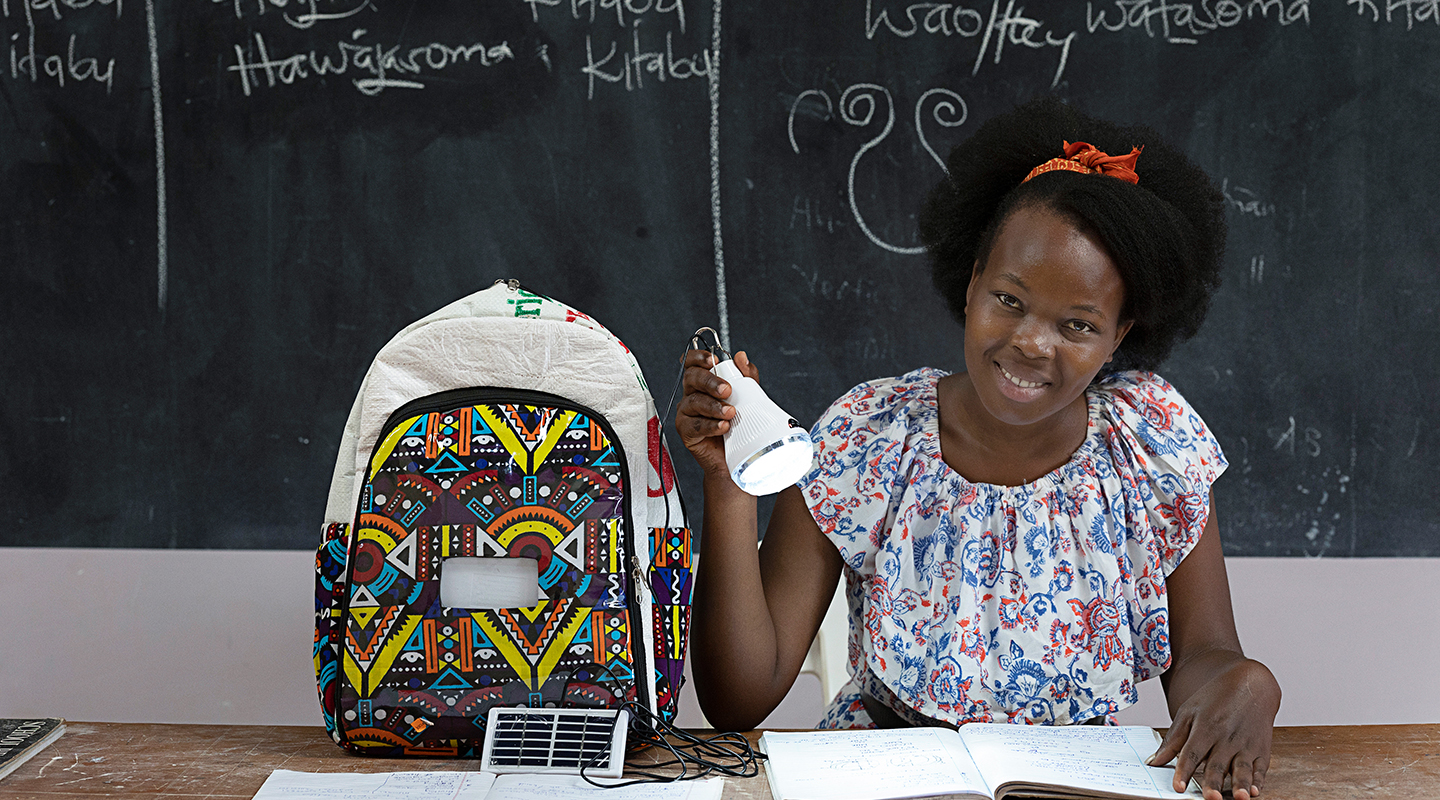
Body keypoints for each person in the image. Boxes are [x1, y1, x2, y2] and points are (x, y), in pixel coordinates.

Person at [675, 97, 1281, 800]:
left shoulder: (1150, 447)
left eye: (1078, 324)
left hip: (1066, 784)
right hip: (880, 782)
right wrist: (728, 488)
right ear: (971, 284)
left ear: (1121, 336)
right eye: (1009, 299)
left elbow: (1204, 659)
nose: (1031, 342)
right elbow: (737, 699)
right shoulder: (870, 437)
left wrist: (1248, 683)